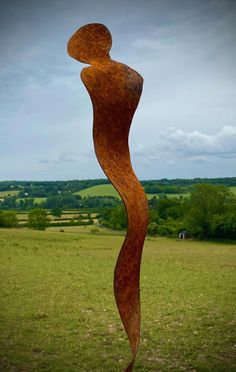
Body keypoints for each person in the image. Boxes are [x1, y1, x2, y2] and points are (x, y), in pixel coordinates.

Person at [68, 23, 148, 371]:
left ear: (86, 49)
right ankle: (133, 346)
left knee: (135, 232)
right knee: (136, 226)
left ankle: (133, 346)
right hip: (123, 166)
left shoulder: (91, 76)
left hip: (113, 157)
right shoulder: (133, 75)